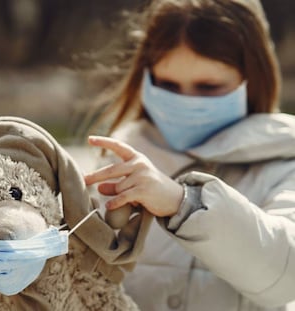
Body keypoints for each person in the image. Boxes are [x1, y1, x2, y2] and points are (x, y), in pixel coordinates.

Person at [83, 0, 295, 310]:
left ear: (252, 82)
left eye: (208, 87)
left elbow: (285, 275)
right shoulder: (119, 157)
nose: (186, 101)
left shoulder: (284, 160)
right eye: (168, 85)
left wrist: (184, 204)